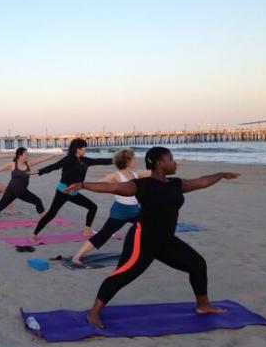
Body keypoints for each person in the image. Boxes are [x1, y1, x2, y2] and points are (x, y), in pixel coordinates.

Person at [64, 146, 239, 328]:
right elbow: (112, 187)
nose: (173, 161)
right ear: (159, 163)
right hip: (143, 239)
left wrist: (220, 174)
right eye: (170, 158)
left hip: (166, 240)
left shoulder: (175, 184)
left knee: (197, 264)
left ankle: (203, 306)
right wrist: (83, 185)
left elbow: (200, 182)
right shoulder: (142, 185)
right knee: (122, 275)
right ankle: (93, 314)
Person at [71, 148, 151, 266]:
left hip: (135, 211)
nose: (135, 160)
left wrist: (171, 165)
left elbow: (153, 172)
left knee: (151, 226)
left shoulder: (136, 174)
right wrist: (82, 186)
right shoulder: (115, 175)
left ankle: (149, 250)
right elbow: (99, 183)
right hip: (120, 212)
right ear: (127, 161)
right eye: (133, 158)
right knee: (104, 234)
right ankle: (77, 256)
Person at [29, 138, 112, 242]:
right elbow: (54, 166)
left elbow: (100, 161)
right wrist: (38, 171)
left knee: (93, 207)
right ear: (77, 149)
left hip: (74, 192)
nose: (85, 150)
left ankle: (87, 230)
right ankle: (33, 234)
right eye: (83, 148)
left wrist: (116, 160)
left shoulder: (85, 160)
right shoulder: (68, 159)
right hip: (63, 191)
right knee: (51, 214)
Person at [0, 148, 57, 227]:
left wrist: (52, 155)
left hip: (23, 192)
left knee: (38, 201)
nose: (27, 155)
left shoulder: (28, 164)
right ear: (20, 155)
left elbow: (40, 159)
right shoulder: (12, 164)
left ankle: (44, 219)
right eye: (26, 154)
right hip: (11, 192)